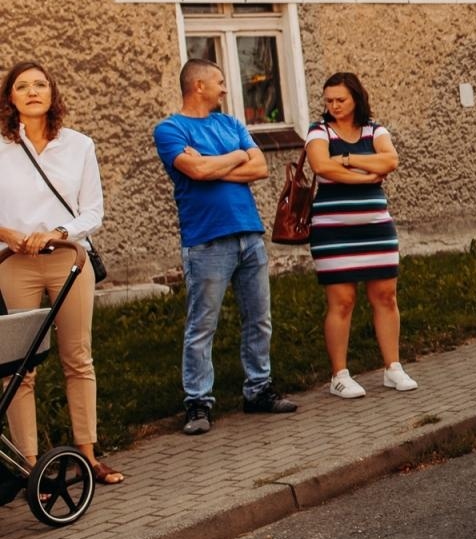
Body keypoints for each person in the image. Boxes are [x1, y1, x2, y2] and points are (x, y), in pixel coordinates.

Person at [153, 58, 296, 435]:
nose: (225, 88)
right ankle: (198, 403)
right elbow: (195, 172)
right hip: (206, 240)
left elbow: (260, 167)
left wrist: (216, 163)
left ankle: (258, 390)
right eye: (219, 81)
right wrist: (235, 158)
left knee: (259, 319)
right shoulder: (170, 129)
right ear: (198, 85)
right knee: (203, 325)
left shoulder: (231, 123)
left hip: (248, 234)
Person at [0, 62, 122, 484]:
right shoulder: (0, 147)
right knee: (19, 367)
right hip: (15, 263)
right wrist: (9, 234)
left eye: (40, 84)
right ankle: (30, 469)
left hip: (69, 258)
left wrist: (58, 231)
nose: (32, 91)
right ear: (9, 97)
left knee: (78, 358)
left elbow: (93, 211)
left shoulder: (78, 145)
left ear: (52, 94)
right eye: (22, 86)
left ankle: (88, 455)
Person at [303, 72, 418, 399]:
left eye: (340, 99)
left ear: (356, 98)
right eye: (329, 100)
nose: (334, 106)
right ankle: (339, 375)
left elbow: (391, 159)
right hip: (332, 231)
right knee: (342, 300)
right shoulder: (319, 131)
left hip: (376, 229)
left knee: (385, 296)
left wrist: (350, 159)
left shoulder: (374, 129)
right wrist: (366, 177)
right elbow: (322, 166)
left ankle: (392, 367)